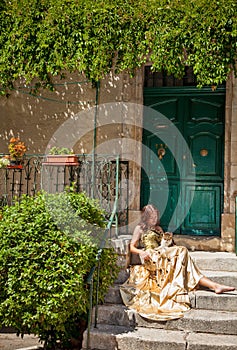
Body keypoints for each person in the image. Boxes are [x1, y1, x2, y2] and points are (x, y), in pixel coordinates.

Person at [120, 204, 235, 321]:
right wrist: (141, 252)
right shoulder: (140, 228)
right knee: (182, 251)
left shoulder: (158, 229)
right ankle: (214, 285)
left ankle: (215, 286)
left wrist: (167, 241)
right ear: (146, 217)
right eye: (152, 217)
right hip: (151, 258)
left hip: (162, 255)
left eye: (156, 216)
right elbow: (132, 247)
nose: (155, 219)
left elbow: (165, 246)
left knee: (182, 253)